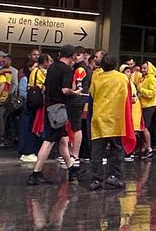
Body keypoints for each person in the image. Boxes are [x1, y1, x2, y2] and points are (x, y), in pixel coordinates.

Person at [27, 44, 84, 186]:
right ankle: (36, 172)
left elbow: (45, 87)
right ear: (71, 57)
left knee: (63, 139)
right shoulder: (66, 70)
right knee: (49, 140)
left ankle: (71, 169)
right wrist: (75, 92)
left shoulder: (51, 67)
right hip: (58, 109)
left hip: (49, 107)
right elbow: (65, 90)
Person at [87, 54, 133, 190]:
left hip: (99, 118)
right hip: (116, 119)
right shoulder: (122, 78)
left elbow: (92, 95)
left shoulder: (97, 78)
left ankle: (96, 179)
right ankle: (114, 177)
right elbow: (128, 97)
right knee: (116, 149)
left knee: (97, 151)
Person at [19, 54, 50, 163]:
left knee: (30, 127)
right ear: (45, 62)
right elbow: (45, 86)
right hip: (37, 102)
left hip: (31, 101)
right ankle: (29, 151)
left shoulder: (34, 71)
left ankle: (27, 151)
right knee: (34, 127)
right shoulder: (40, 72)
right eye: (49, 61)